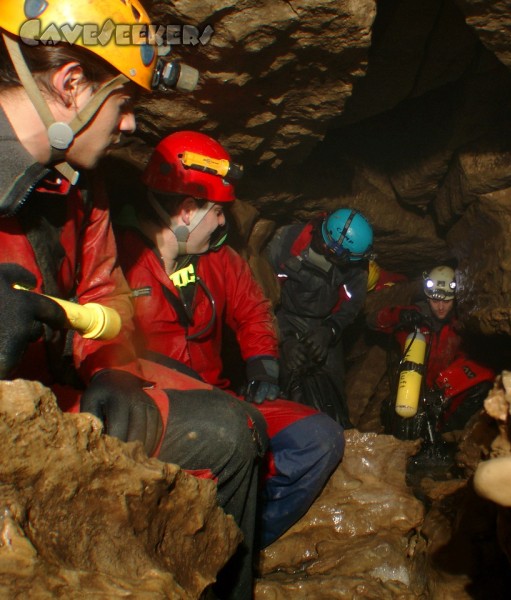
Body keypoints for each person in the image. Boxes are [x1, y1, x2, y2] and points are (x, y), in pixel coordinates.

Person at [0, 3, 263, 598]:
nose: (127, 127)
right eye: (124, 105)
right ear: (72, 86)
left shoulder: (78, 188)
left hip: (58, 393)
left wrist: (108, 369)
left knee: (232, 428)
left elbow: (103, 298)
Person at [116, 130, 345, 548]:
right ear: (187, 210)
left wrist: (262, 363)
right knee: (231, 437)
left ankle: (242, 543)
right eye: (218, 211)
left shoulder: (218, 259)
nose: (224, 221)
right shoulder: (116, 258)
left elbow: (253, 309)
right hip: (149, 410)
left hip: (219, 398)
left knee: (322, 438)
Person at [266, 207, 373, 428]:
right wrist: (283, 340)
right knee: (282, 376)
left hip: (324, 321)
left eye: (341, 259)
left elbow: (353, 303)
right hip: (283, 315)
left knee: (333, 385)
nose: (333, 259)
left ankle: (338, 433)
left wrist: (330, 331)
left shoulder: (355, 265)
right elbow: (263, 297)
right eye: (329, 251)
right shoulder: (285, 243)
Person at [368, 265, 495, 441]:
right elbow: (372, 320)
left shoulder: (461, 325)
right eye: (435, 301)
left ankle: (448, 438)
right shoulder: (414, 318)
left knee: (484, 383)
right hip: (414, 388)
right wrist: (399, 316)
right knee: (405, 422)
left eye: (447, 301)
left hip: (444, 389)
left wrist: (443, 388)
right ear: (427, 298)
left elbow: (470, 360)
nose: (441, 307)